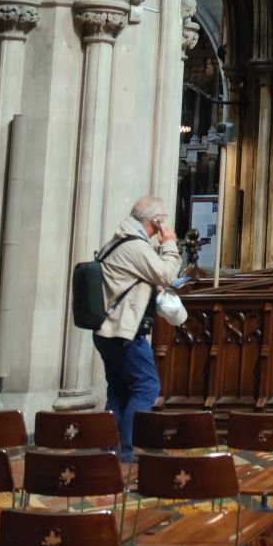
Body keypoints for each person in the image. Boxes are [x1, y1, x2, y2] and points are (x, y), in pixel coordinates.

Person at [93, 197, 183, 460]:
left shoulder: (121, 239)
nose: (164, 224)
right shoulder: (135, 246)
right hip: (123, 332)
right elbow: (167, 275)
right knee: (147, 387)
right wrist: (169, 245)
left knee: (119, 390)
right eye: (162, 219)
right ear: (154, 221)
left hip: (107, 330)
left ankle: (110, 447)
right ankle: (127, 450)